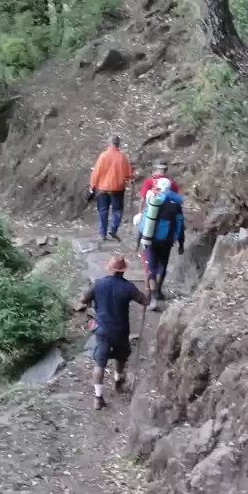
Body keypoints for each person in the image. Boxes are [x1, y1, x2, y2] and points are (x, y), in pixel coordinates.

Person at [74, 254, 150, 410]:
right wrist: (149, 288)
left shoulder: (98, 284)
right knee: (121, 356)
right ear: (123, 271)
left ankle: (98, 397)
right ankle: (117, 380)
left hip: (101, 329)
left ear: (109, 268)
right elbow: (145, 302)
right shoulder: (128, 287)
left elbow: (83, 300)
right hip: (120, 330)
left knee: (100, 362)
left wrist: (92, 303)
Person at [138, 178, 185, 311]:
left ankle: (153, 298)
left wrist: (140, 239)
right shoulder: (175, 205)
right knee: (162, 267)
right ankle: (159, 291)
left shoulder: (153, 202)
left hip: (151, 241)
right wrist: (181, 242)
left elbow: (144, 224)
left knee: (151, 268)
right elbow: (180, 225)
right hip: (167, 242)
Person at [89, 135, 133, 242]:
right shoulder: (122, 157)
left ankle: (102, 234)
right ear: (119, 144)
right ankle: (113, 229)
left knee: (103, 211)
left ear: (108, 143)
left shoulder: (103, 156)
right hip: (118, 188)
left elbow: (96, 172)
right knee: (117, 210)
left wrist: (92, 186)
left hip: (103, 188)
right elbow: (128, 175)